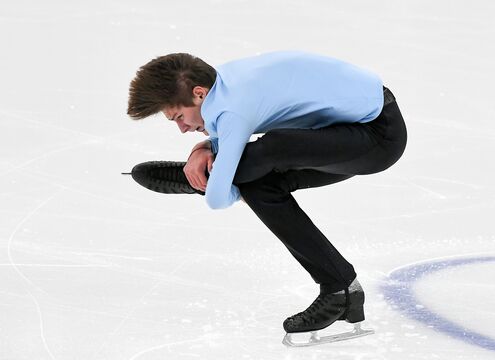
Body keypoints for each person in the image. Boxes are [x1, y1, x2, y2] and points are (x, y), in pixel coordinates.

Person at [126, 50, 407, 345]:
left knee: (273, 147)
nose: (182, 129)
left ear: (199, 94)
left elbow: (218, 199)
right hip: (335, 132)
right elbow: (230, 136)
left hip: (377, 136)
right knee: (258, 185)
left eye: (179, 117)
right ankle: (340, 290)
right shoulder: (220, 85)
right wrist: (206, 149)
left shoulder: (231, 109)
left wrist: (207, 178)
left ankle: (197, 180)